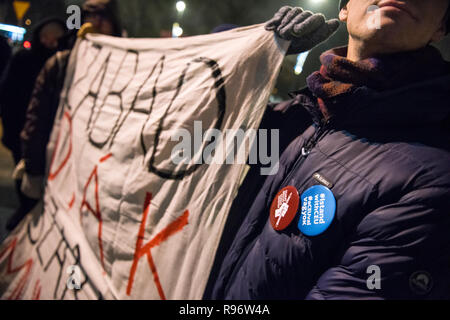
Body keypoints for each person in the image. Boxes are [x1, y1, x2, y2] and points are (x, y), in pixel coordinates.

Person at [211, 0, 450, 299]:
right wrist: (255, 50)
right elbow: (182, 130)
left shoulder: (434, 178)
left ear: (441, 26)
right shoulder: (297, 119)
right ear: (345, 8)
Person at [5, 0, 122, 231]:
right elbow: (35, 122)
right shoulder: (60, 64)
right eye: (90, 15)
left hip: (91, 175)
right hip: (54, 165)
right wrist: (33, 168)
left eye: (103, 16)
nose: (96, 22)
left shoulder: (123, 68)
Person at [0, 18, 66, 231]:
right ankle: (24, 213)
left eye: (55, 36)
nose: (50, 41)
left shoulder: (64, 64)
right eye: (46, 35)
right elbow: (7, 92)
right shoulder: (24, 59)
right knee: (23, 174)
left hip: (49, 134)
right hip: (21, 129)